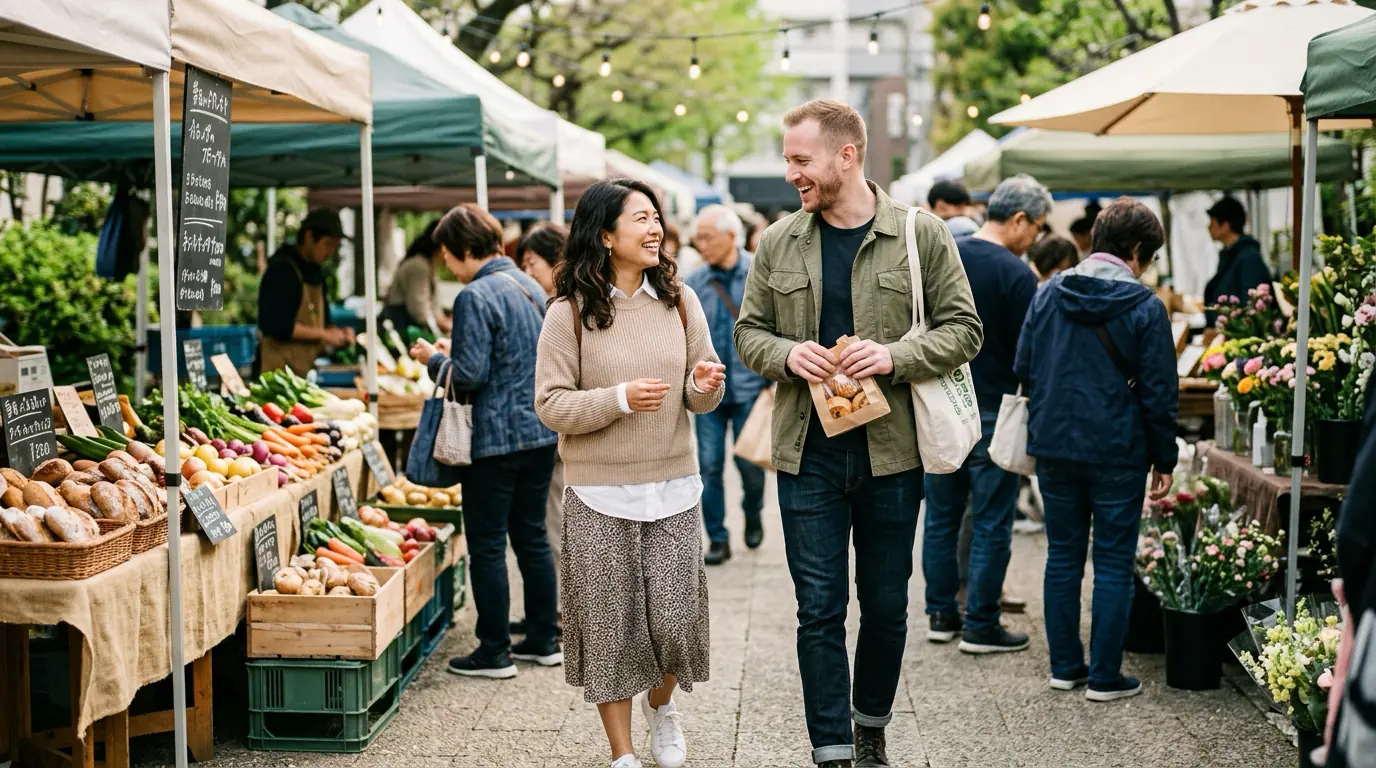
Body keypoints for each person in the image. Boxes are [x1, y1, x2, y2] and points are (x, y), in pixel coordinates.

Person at [735, 100, 982, 768]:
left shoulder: (921, 234)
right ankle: (833, 750)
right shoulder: (778, 241)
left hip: (891, 454)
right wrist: (787, 354)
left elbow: (966, 329)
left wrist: (894, 357)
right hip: (806, 454)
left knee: (886, 605)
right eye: (787, 160)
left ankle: (870, 724)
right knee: (818, 608)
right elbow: (749, 333)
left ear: (846, 156)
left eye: (801, 160)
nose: (791, 174)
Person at [534, 178, 726, 768]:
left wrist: (702, 386)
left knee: (675, 620)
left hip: (672, 484)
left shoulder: (680, 301)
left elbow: (700, 395)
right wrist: (618, 399)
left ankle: (661, 706)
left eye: (655, 217)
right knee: (610, 627)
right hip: (596, 492)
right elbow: (551, 405)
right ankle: (621, 755)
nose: (654, 228)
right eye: (640, 218)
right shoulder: (567, 314)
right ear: (605, 235)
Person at [1014, 197, 1178, 703]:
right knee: (1112, 561)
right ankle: (1105, 676)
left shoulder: (1048, 292)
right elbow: (1159, 392)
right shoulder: (1146, 306)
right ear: (1136, 249)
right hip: (1119, 449)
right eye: (1149, 255)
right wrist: (1165, 458)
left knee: (1062, 556)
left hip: (1055, 444)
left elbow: (1023, 367)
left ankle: (1065, 667)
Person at [407, 204, 562, 680]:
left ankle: (494, 651)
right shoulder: (529, 285)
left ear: (465, 249)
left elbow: (471, 375)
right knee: (532, 537)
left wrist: (434, 361)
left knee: (489, 544)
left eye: (448, 255)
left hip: (494, 441)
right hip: (540, 434)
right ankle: (544, 638)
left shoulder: (474, 295)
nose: (447, 264)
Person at [923, 174, 1049, 655]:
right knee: (992, 519)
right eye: (1036, 226)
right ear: (1018, 219)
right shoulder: (1018, 274)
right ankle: (980, 623)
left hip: (941, 406)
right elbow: (1029, 353)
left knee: (941, 515)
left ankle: (940, 614)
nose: (1035, 236)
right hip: (995, 408)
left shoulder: (945, 257)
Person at [684, 204, 769, 565]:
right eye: (698, 239)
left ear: (732, 236)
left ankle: (753, 512)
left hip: (751, 387)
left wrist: (771, 378)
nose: (701, 245)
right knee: (709, 466)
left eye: (708, 237)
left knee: (750, 465)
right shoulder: (694, 282)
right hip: (709, 393)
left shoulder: (759, 273)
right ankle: (717, 538)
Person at [516, 222, 570, 568]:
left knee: (556, 521)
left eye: (531, 263)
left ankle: (566, 598)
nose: (527, 272)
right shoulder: (552, 303)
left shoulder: (561, 308)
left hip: (560, 430)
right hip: (558, 430)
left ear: (555, 259)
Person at [257, 208, 353, 375]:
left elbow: (324, 321)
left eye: (335, 246)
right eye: (328, 244)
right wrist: (324, 334)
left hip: (304, 370)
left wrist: (339, 334)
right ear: (309, 237)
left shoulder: (316, 272)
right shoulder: (282, 269)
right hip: (275, 371)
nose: (331, 252)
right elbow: (276, 325)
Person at [1204, 196, 1272, 324]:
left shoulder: (1249, 258)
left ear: (1225, 225)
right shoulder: (1229, 255)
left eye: (1212, 223)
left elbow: (1252, 306)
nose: (1208, 227)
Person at [382, 220, 452, 336]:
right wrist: (444, 325)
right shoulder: (418, 266)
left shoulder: (428, 265)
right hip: (405, 332)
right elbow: (420, 312)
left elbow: (433, 307)